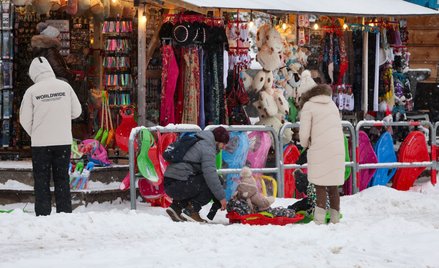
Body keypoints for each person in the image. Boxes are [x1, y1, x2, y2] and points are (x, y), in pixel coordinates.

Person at [19, 57, 82, 216]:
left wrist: (36, 133)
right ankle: (64, 212)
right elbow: (77, 112)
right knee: (62, 178)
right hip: (63, 141)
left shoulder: (32, 91)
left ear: (33, 74)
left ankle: (42, 213)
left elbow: (24, 119)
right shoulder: (65, 87)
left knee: (41, 180)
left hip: (41, 144)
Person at [298, 84, 344, 224]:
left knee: (320, 184)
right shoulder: (332, 105)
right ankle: (335, 219)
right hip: (336, 148)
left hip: (319, 147)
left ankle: (319, 219)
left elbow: (304, 133)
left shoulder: (308, 106)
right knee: (333, 185)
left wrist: (305, 144)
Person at [164, 126, 229, 223]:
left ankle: (176, 207)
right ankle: (192, 210)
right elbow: (211, 176)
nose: (224, 147)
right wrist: (221, 197)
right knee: (211, 182)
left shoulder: (199, 140)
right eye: (224, 144)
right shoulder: (207, 148)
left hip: (170, 183)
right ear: (218, 141)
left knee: (198, 178)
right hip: (178, 184)